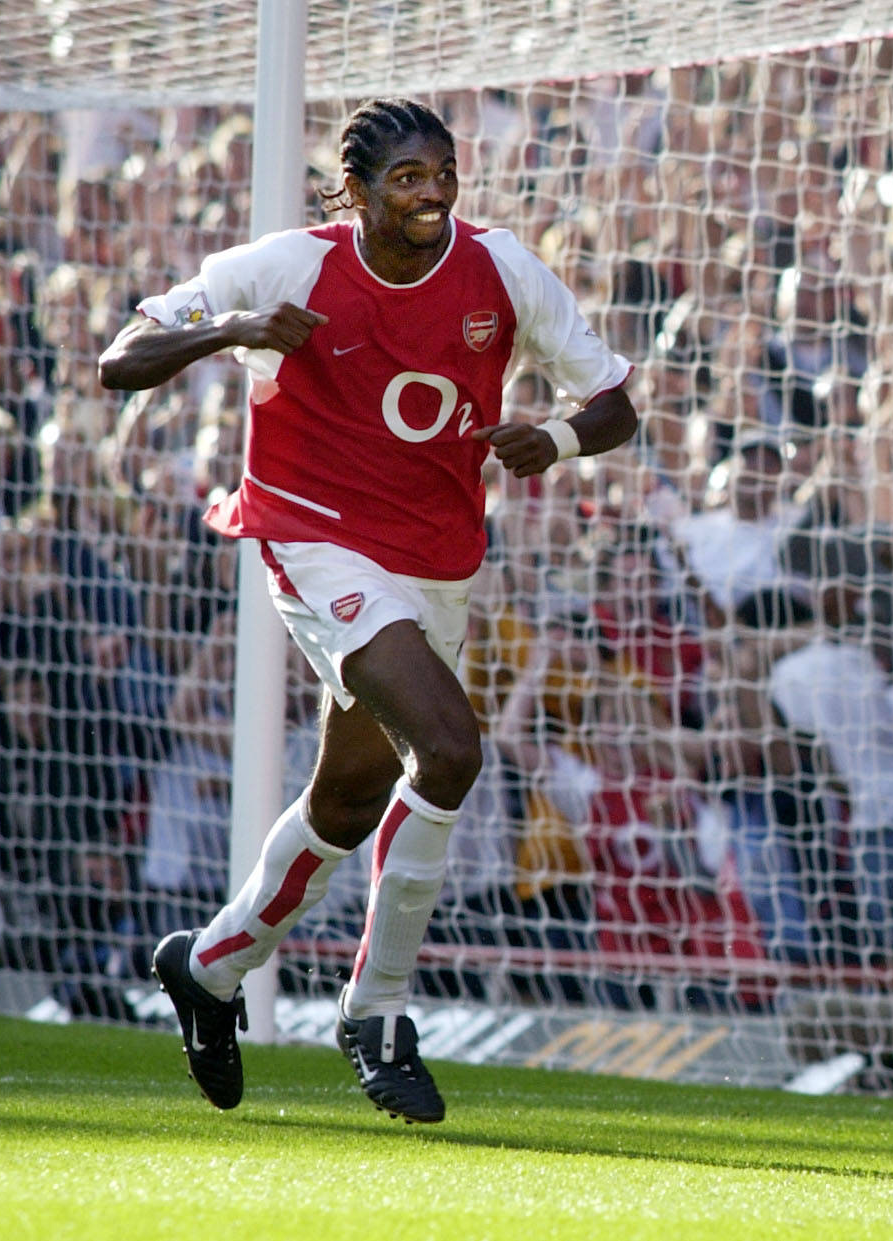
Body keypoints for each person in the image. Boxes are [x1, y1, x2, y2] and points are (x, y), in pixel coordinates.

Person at [97, 97, 636, 1123]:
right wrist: (237, 330)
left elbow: (615, 401)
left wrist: (558, 440)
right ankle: (378, 1011)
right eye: (407, 178)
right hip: (311, 536)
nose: (432, 194)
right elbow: (118, 360)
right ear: (354, 192)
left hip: (436, 558)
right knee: (453, 746)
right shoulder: (287, 266)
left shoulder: (502, 267)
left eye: (443, 173)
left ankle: (209, 966)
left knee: (349, 798)